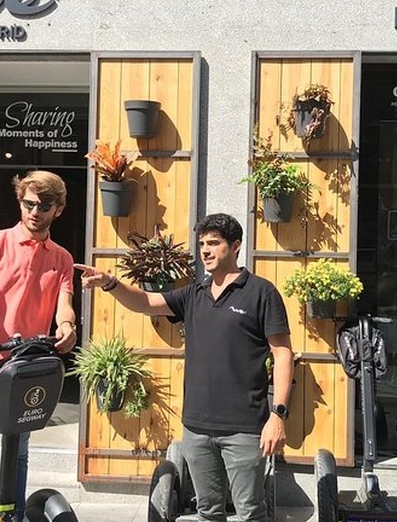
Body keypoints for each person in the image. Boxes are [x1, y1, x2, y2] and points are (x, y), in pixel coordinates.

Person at [76, 213, 294, 522]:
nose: (205, 250)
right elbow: (145, 302)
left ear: (235, 246)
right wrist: (111, 283)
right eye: (202, 243)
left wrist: (278, 415)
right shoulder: (194, 295)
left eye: (214, 243)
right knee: (207, 512)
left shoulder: (261, 292)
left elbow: (283, 354)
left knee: (251, 514)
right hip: (196, 428)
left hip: (245, 429)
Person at [0, 170, 77, 522]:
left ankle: (11, 518)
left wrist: (67, 326)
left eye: (44, 205)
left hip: (25, 370)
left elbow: (64, 303)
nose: (34, 211)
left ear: (59, 209)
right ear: (20, 202)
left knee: (19, 453)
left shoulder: (62, 258)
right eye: (28, 203)